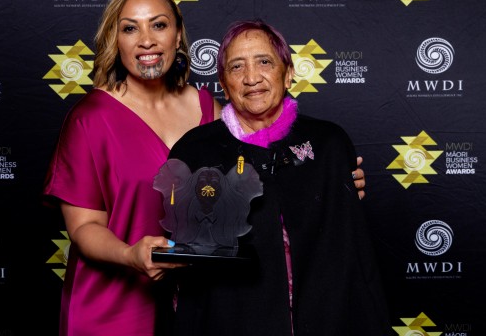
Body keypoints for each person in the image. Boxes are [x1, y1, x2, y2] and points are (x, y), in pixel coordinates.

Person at [43, 0, 367, 336]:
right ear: (114, 41)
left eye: (159, 24)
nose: (146, 39)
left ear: (178, 36)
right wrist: (129, 255)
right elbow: (83, 228)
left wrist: (334, 184)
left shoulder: (207, 109)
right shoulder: (89, 118)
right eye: (130, 28)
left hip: (192, 301)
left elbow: (263, 176)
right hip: (113, 301)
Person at [159, 19, 391, 336]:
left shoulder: (328, 144)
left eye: (264, 62)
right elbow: (189, 273)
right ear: (223, 84)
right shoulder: (195, 151)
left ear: (288, 72)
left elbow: (355, 259)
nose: (252, 78)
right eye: (236, 67)